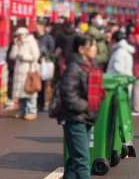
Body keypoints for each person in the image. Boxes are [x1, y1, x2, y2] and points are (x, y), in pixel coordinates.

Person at [59, 35, 104, 179]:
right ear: (81, 49)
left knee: (75, 159)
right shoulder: (74, 67)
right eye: (92, 45)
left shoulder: (90, 65)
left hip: (86, 118)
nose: (95, 48)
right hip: (75, 118)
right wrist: (88, 105)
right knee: (83, 161)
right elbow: (68, 95)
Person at [10, 27, 41, 120]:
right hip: (19, 69)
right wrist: (15, 46)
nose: (18, 37)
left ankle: (32, 111)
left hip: (29, 70)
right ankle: (22, 110)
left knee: (29, 91)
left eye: (19, 35)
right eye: (17, 35)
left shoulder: (31, 42)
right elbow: (12, 56)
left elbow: (36, 56)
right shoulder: (17, 43)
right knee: (21, 92)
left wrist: (23, 56)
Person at [36, 21, 56, 112]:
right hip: (37, 63)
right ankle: (39, 103)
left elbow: (52, 50)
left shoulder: (48, 38)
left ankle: (45, 103)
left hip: (45, 63)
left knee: (46, 84)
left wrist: (45, 55)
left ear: (43, 27)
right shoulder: (35, 36)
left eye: (38, 26)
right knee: (38, 83)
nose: (37, 28)